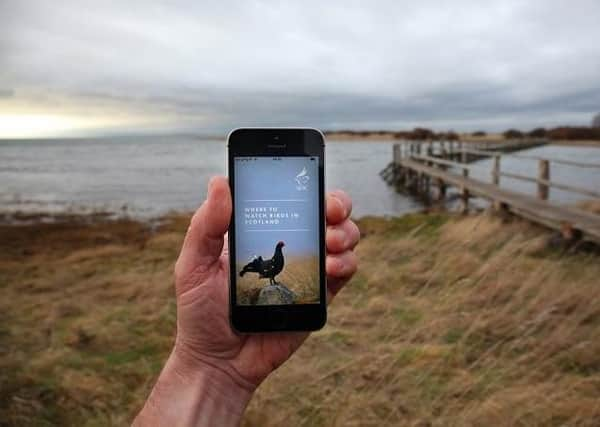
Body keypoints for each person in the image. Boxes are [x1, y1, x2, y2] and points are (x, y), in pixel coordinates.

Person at [134, 176, 360, 426]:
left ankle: (270, 285)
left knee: (277, 270)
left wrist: (209, 369)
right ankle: (268, 283)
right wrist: (204, 362)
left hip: (258, 302)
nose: (282, 246)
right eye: (281, 244)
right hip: (253, 294)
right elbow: (271, 269)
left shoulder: (278, 257)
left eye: (283, 245)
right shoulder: (274, 260)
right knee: (267, 270)